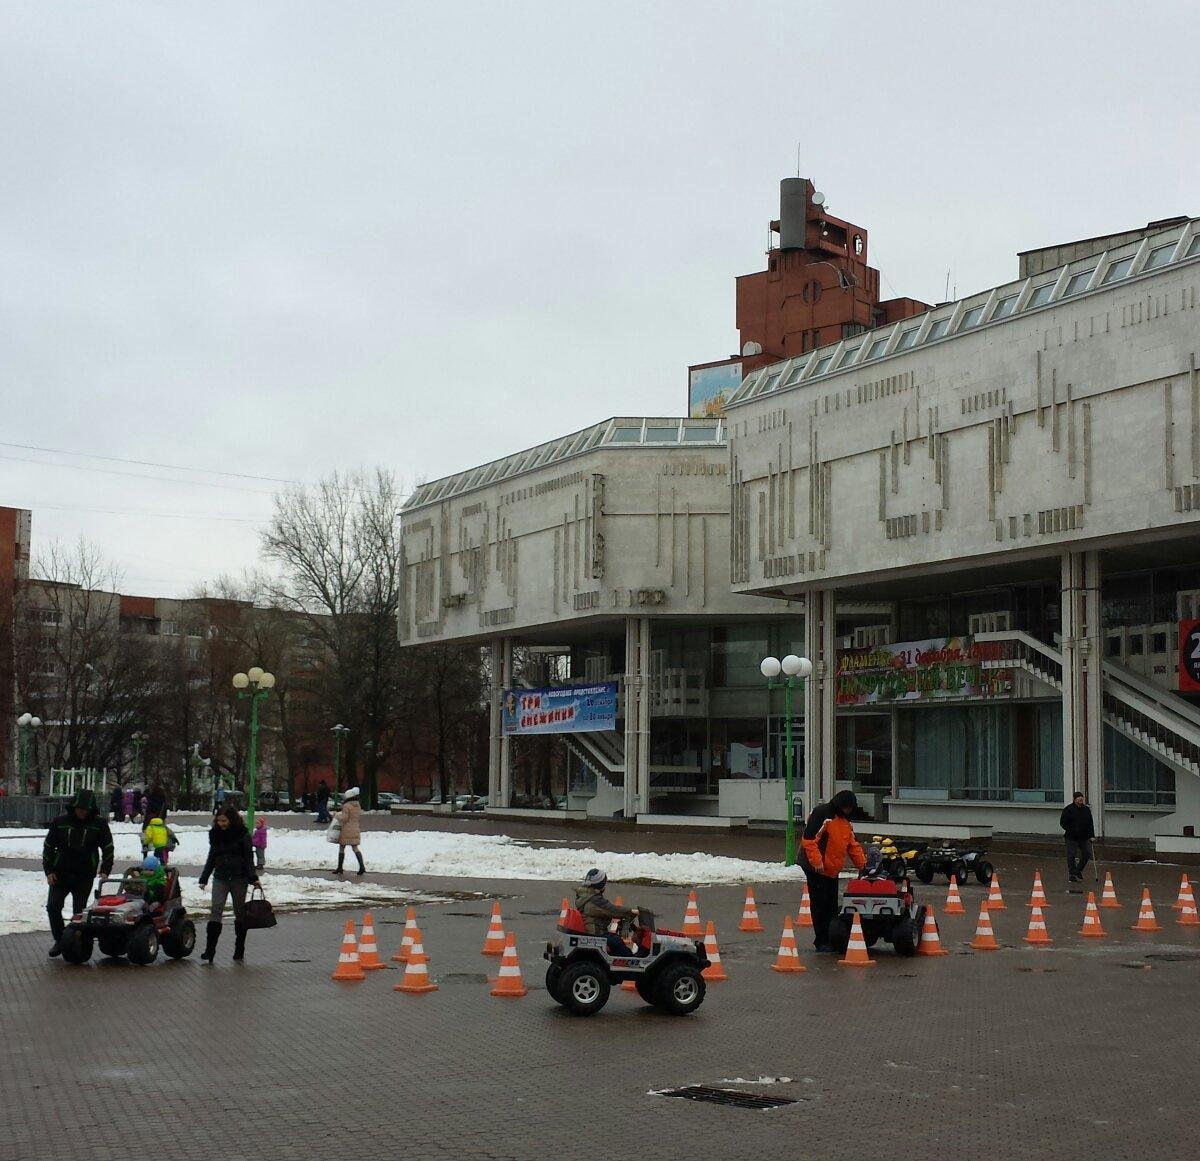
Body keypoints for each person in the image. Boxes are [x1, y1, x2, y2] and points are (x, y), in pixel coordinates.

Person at [42, 789, 114, 958]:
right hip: (60, 874)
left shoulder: (99, 824)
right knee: (53, 906)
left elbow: (108, 848)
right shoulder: (60, 822)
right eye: (79, 808)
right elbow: (48, 847)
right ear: (73, 807)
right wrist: (49, 870)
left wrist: (105, 869)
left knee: (78, 912)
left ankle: (77, 944)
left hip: (84, 875)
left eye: (85, 809)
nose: (82, 812)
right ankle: (60, 939)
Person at [800, 790, 867, 953]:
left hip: (832, 869)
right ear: (840, 806)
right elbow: (808, 840)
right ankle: (821, 941)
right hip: (815, 868)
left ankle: (832, 938)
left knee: (831, 905)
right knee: (820, 904)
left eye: (850, 809)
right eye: (847, 808)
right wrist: (817, 862)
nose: (849, 811)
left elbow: (853, 845)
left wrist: (864, 866)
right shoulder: (822, 814)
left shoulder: (846, 822)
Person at [198, 806, 259, 963]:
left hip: (239, 878)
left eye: (224, 821)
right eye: (218, 820)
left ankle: (239, 948)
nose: (221, 824)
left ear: (232, 820)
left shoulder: (243, 835)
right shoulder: (215, 834)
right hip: (220, 877)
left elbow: (248, 859)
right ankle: (209, 950)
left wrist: (253, 878)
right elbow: (212, 856)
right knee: (216, 910)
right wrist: (204, 878)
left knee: (239, 913)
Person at [574, 868, 637, 956]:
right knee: (618, 943)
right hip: (595, 934)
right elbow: (612, 910)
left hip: (592, 933)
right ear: (601, 884)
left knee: (615, 940)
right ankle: (629, 964)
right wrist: (631, 911)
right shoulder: (595, 900)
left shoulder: (586, 896)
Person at [1059, 792, 1095, 883]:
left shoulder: (1086, 809)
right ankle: (1072, 874)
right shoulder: (1068, 809)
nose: (1080, 801)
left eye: (1081, 799)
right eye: (1079, 799)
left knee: (1087, 853)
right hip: (1071, 837)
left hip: (1084, 837)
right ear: (1074, 799)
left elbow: (1090, 823)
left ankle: (1078, 870)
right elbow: (1062, 822)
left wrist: (1092, 835)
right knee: (1071, 855)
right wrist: (1071, 830)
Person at [331, 787, 365, 876]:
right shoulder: (358, 805)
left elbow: (344, 818)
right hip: (355, 828)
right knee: (355, 848)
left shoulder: (347, 806)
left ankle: (339, 868)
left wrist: (336, 815)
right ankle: (362, 866)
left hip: (346, 829)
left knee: (342, 847)